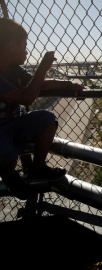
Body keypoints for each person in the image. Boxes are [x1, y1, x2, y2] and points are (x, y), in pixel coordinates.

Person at [0, 18, 84, 199]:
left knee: (47, 119)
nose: (27, 51)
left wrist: (69, 85)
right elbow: (27, 97)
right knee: (8, 158)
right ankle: (9, 176)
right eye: (24, 45)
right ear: (12, 46)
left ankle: (37, 168)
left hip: (15, 122)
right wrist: (42, 68)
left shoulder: (14, 70)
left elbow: (40, 85)